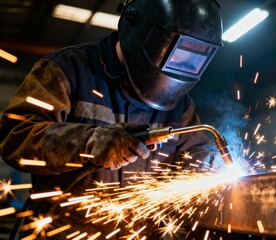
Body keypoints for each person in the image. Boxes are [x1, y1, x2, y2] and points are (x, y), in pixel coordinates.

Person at [0, 0, 223, 238]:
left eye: (194, 61)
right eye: (178, 55)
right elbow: (15, 136)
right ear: (144, 35)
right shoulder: (68, 69)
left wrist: (212, 171)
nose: (183, 67)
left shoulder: (179, 106)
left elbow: (197, 157)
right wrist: (88, 143)